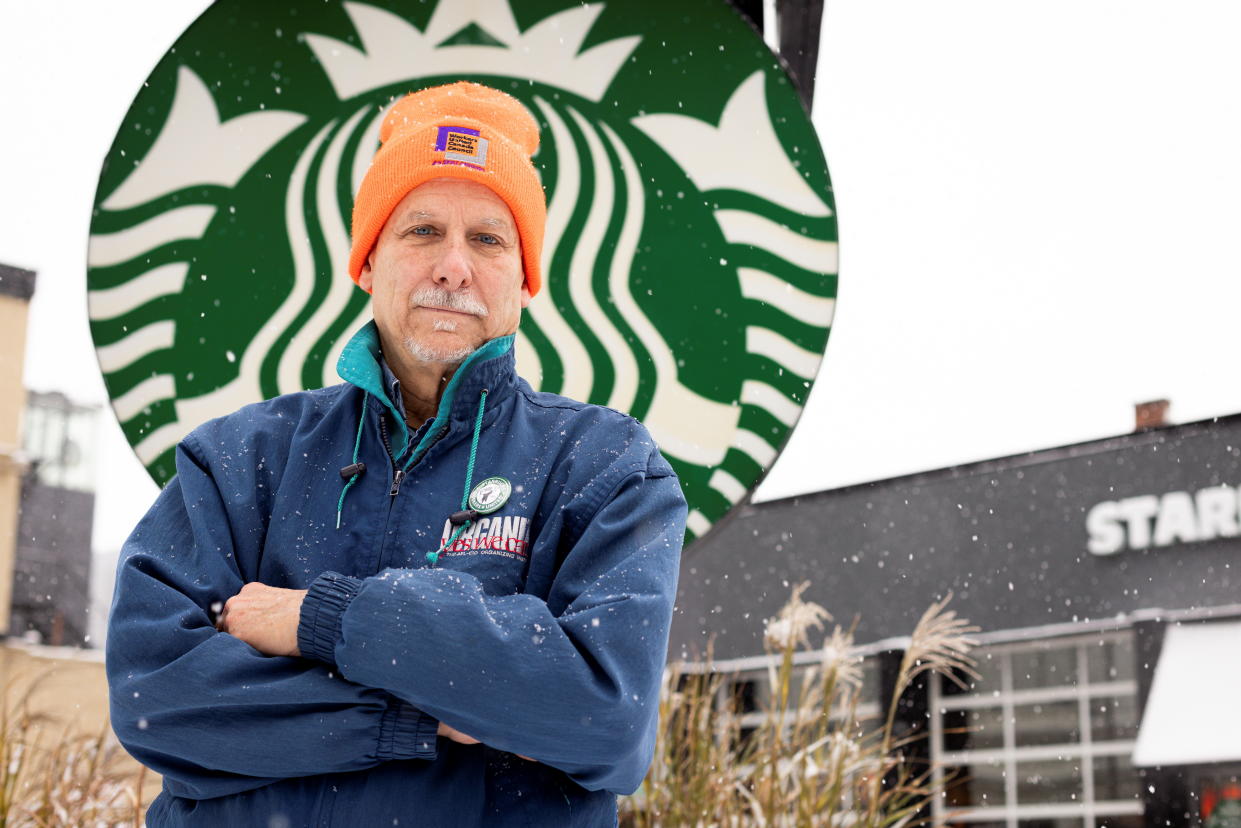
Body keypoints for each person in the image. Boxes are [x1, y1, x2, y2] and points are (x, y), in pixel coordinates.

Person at [106, 81, 687, 827]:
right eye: (420, 232)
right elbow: (157, 696)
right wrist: (420, 718)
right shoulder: (239, 458)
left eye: (486, 239)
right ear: (368, 263)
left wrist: (325, 620)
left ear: (523, 279)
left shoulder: (605, 467)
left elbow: (606, 720)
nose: (453, 266)